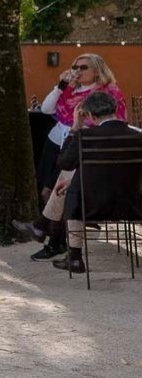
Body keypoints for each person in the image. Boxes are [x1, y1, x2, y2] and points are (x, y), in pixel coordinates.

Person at [14, 91, 141, 274]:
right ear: (115, 109)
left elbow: (64, 163)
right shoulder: (138, 136)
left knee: (70, 191)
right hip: (132, 205)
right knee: (71, 185)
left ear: (89, 115)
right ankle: (42, 229)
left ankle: (74, 258)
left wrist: (75, 127)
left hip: (90, 206)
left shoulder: (85, 137)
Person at [30, 53, 127, 260]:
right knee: (48, 190)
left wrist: (81, 130)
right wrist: (61, 85)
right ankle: (54, 240)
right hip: (60, 142)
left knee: (63, 190)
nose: (78, 71)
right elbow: (47, 109)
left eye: (84, 67)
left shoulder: (108, 92)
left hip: (89, 145)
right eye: (75, 66)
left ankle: (52, 239)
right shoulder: (69, 88)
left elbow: (116, 122)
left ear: (97, 70)